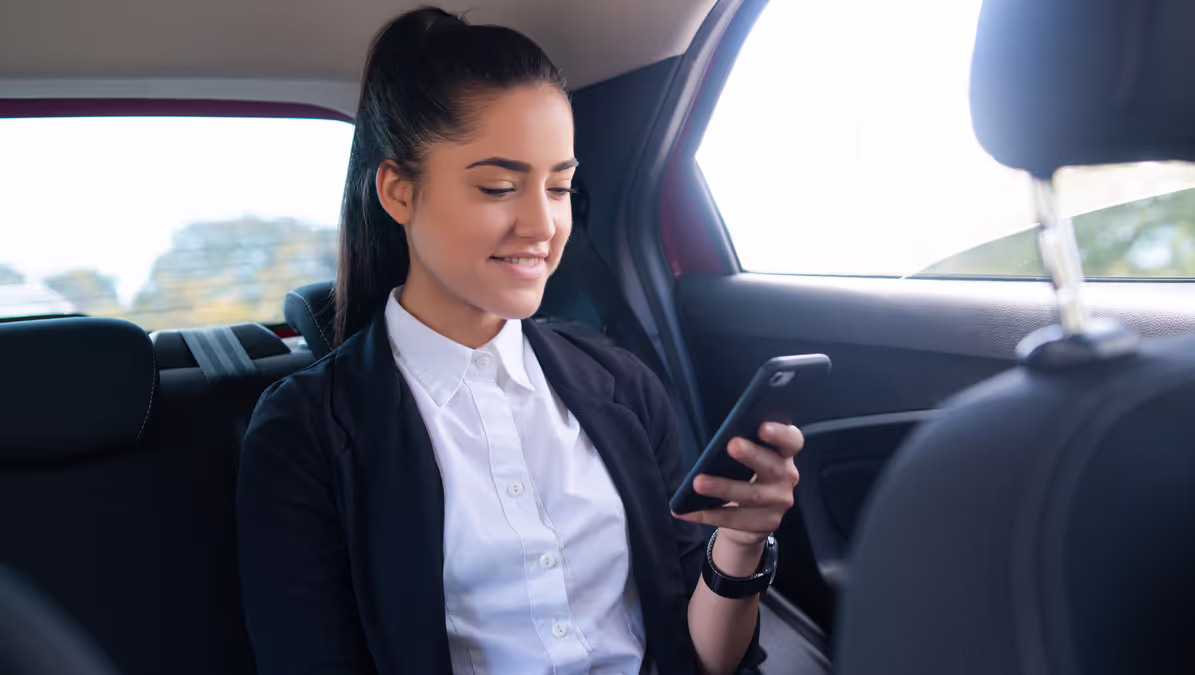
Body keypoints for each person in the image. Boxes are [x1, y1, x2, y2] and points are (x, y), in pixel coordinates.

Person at [236, 7, 803, 675]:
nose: (542, 223)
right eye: (499, 186)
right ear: (398, 191)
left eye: (559, 187)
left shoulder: (621, 385)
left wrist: (739, 543)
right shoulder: (304, 433)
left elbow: (701, 660)